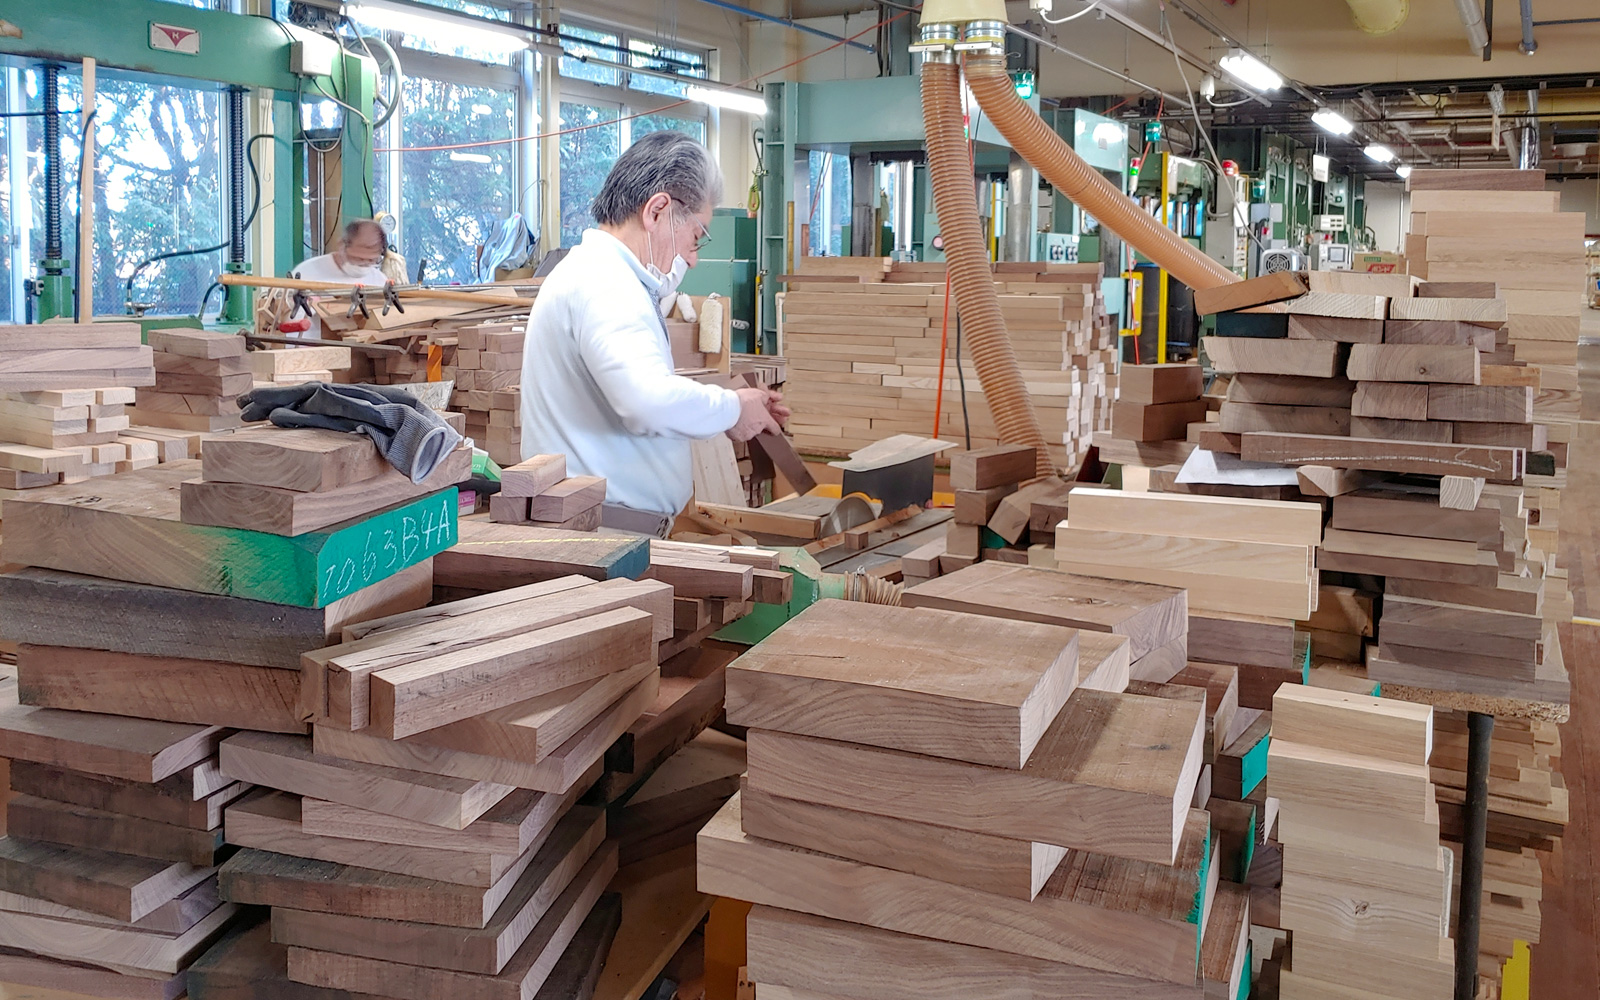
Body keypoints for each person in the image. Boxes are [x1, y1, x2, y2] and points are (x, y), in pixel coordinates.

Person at [519, 131, 787, 536]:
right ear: (657, 210)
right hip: (599, 536)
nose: (693, 260)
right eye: (697, 237)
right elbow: (646, 401)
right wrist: (732, 407)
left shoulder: (604, 277)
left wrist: (731, 414)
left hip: (603, 529)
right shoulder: (605, 282)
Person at [290, 219, 389, 340]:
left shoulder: (379, 281)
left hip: (361, 353)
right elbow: (288, 320)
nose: (364, 265)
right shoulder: (306, 273)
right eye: (357, 258)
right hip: (308, 350)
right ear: (341, 245)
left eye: (371, 260)